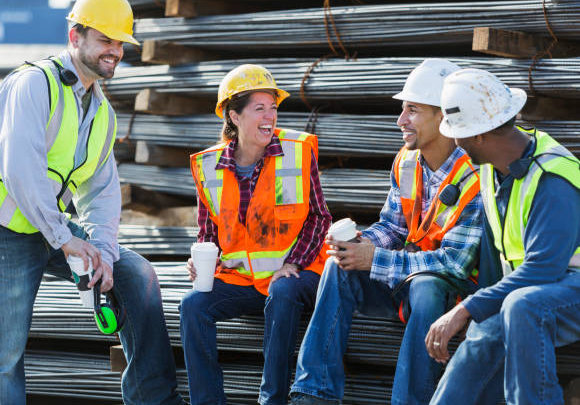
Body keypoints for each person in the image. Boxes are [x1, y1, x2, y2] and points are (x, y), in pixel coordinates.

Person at [0, 0, 185, 404]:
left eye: (121, 44)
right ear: (75, 36)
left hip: (45, 223)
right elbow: (22, 171)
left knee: (135, 275)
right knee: (3, 355)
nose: (116, 52)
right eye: (106, 40)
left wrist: (101, 251)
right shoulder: (34, 83)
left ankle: (153, 398)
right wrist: (64, 238)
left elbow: (101, 191)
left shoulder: (101, 110)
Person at [288, 59, 484, 405]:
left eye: (412, 110)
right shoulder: (408, 162)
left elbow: (454, 265)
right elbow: (393, 227)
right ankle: (313, 394)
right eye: (402, 109)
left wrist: (375, 259)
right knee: (338, 265)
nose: (400, 121)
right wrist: (359, 246)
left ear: (443, 116)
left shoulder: (475, 178)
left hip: (457, 294)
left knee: (426, 286)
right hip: (407, 275)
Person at [427, 68, 580, 405]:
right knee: (486, 331)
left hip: (561, 287)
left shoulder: (552, 177)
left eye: (458, 133)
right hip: (532, 291)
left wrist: (465, 309)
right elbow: (501, 260)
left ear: (479, 135)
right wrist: (476, 309)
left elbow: (543, 270)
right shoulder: (491, 168)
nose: (455, 141)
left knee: (520, 305)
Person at [181, 64, 332, 405]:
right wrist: (201, 260)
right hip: (242, 279)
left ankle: (272, 400)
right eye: (259, 109)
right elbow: (209, 233)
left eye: (273, 108)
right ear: (233, 116)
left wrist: (293, 263)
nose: (270, 117)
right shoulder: (210, 167)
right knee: (192, 306)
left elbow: (319, 218)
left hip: (296, 274)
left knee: (281, 291)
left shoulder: (297, 151)